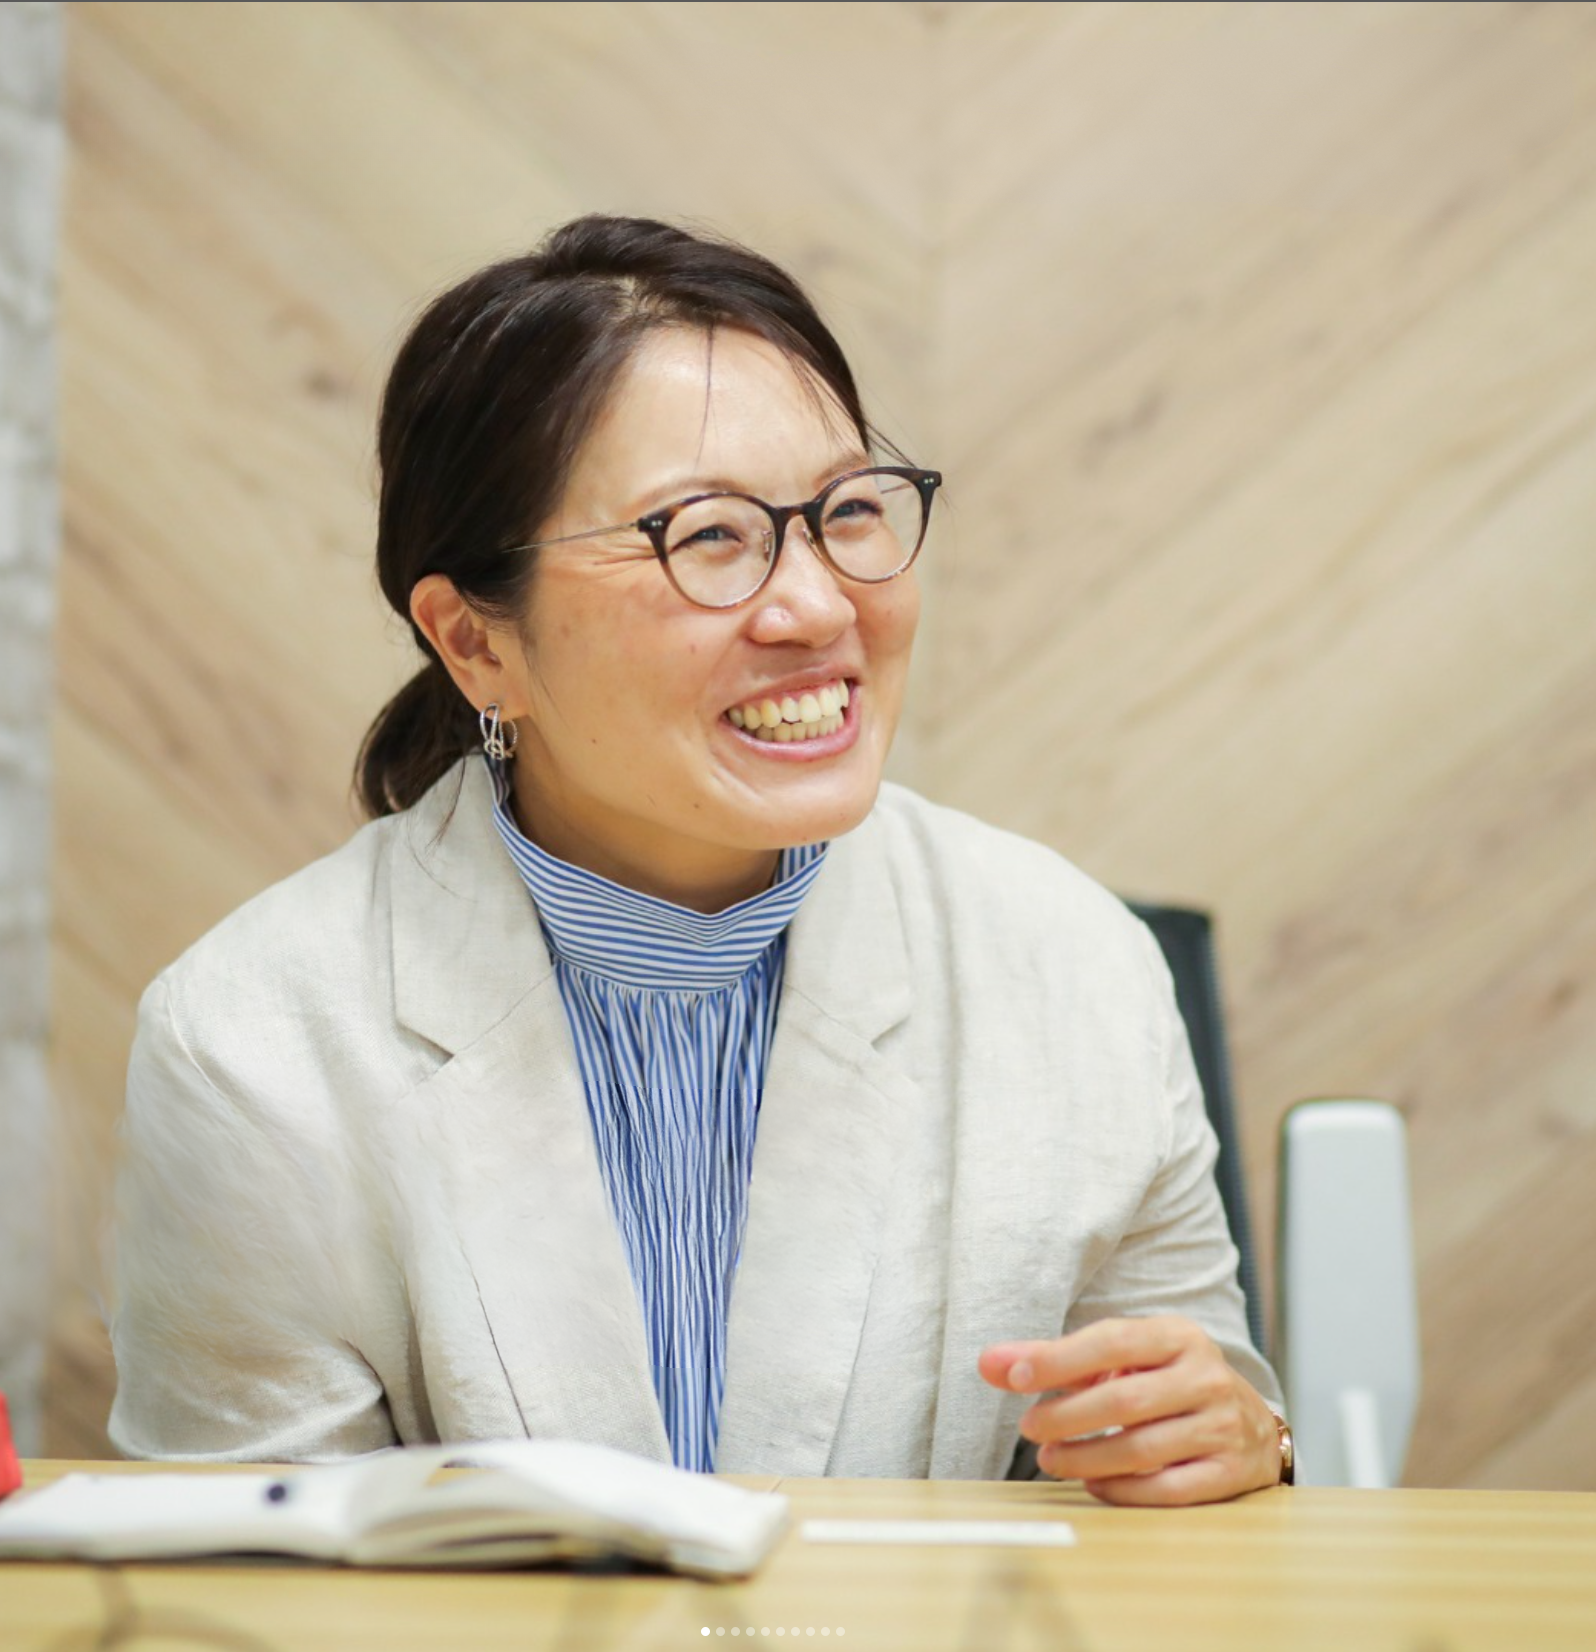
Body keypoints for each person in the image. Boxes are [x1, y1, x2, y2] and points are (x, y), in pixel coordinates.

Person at [108, 215, 1291, 1504]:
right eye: (708, 535)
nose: (820, 606)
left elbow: (1193, 1485)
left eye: (847, 511)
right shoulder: (252, 1046)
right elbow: (254, 1571)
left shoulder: (1074, 967)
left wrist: (1242, 1448)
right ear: (477, 643)